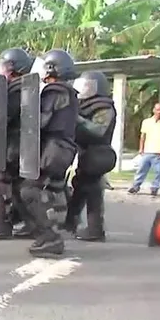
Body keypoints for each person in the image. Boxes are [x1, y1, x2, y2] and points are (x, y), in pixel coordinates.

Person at [19, 49, 79, 257]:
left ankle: (50, 237)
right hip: (61, 148)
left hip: (55, 148)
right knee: (41, 190)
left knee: (30, 191)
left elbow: (40, 121)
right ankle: (45, 233)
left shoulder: (55, 91)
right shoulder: (68, 92)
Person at [0, 49, 33, 240]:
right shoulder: (22, 87)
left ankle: (2, 225)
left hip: (14, 144)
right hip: (17, 144)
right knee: (17, 187)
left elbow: (5, 117)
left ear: (13, 69)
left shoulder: (17, 90)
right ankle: (28, 223)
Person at [64, 71, 117, 242]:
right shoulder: (85, 106)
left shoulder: (104, 107)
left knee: (93, 191)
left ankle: (95, 230)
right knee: (80, 186)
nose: (82, 90)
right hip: (87, 154)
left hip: (99, 155)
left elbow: (98, 131)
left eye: (87, 85)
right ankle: (70, 222)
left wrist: (77, 119)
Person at [128, 103, 160, 196]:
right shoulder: (146, 122)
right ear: (154, 110)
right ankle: (135, 186)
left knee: (158, 171)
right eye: (157, 110)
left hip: (159, 152)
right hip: (147, 151)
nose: (159, 112)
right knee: (141, 170)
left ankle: (155, 188)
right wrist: (141, 148)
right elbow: (143, 136)